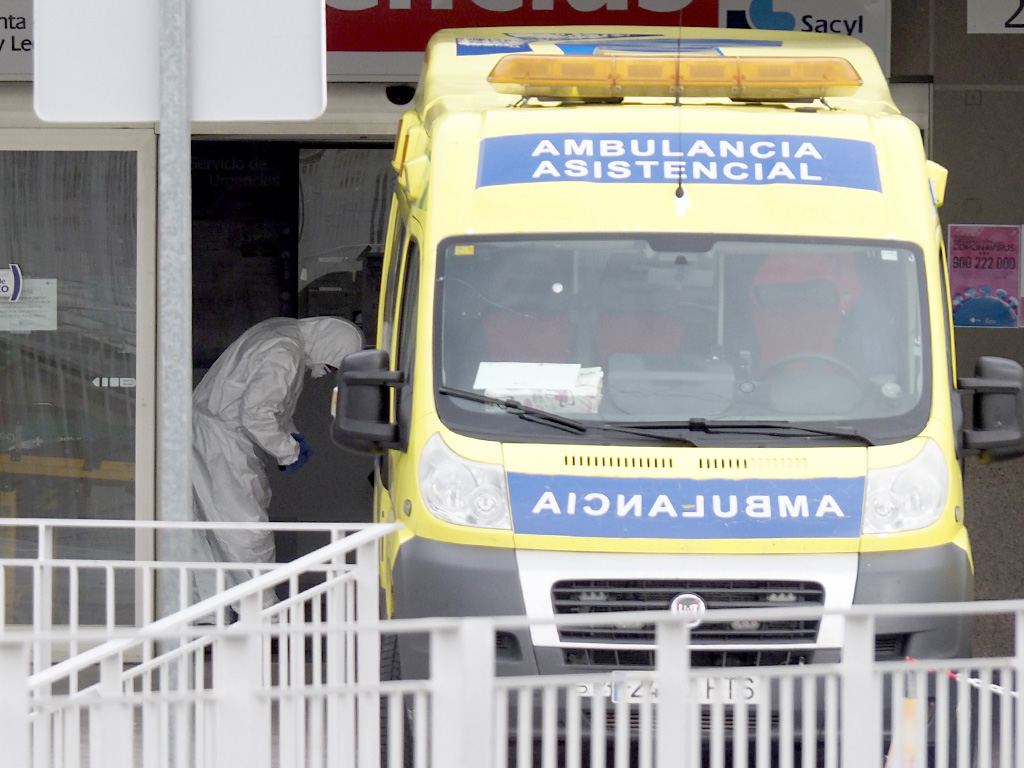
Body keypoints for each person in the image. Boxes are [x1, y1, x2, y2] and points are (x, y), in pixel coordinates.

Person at [191, 316, 363, 609]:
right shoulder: (284, 351)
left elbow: (267, 403)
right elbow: (257, 414)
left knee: (208, 529)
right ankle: (260, 610)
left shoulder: (282, 333)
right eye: (335, 365)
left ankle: (210, 611)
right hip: (222, 442)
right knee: (246, 526)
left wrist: (291, 435)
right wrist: (288, 451)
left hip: (211, 433)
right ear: (332, 346)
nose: (328, 372)